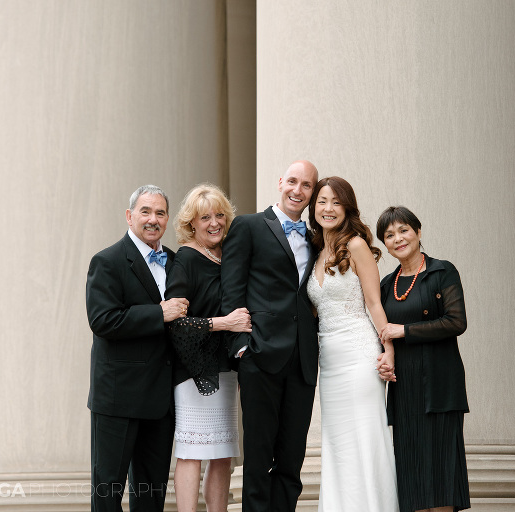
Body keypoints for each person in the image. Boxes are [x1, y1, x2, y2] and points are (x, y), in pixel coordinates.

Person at [220, 160, 320, 512]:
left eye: (306, 185)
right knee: (259, 457)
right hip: (260, 356)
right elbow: (232, 289)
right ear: (280, 181)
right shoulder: (247, 226)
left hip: (304, 360)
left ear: (312, 192)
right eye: (292, 181)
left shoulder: (315, 237)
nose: (297, 190)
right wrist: (243, 347)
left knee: (292, 459)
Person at [86, 184, 189, 512]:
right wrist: (160, 312)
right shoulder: (107, 261)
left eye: (160, 213)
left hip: (160, 401)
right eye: (145, 211)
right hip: (118, 398)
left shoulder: (175, 262)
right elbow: (103, 320)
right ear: (130, 216)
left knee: (151, 496)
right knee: (107, 493)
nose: (153, 219)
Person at [305, 176, 399, 511]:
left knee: (364, 438)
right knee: (338, 445)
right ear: (313, 207)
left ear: (347, 208)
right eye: (322, 202)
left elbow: (375, 304)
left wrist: (388, 350)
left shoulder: (356, 245)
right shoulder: (314, 251)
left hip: (360, 355)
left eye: (336, 202)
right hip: (328, 362)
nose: (328, 209)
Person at [164, 184, 252, 512]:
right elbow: (176, 324)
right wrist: (223, 323)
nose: (214, 223)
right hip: (193, 371)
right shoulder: (186, 259)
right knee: (191, 450)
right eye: (205, 218)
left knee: (222, 451)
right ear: (192, 224)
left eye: (219, 215)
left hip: (225, 368)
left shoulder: (227, 255)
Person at [376, 206, 470, 512]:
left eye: (403, 230)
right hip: (405, 391)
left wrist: (404, 330)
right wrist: (383, 357)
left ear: (418, 232)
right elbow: (380, 333)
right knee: (412, 481)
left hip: (441, 387)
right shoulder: (387, 286)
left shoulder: (442, 272)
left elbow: (456, 322)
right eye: (389, 235)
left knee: (441, 480)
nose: (398, 239)